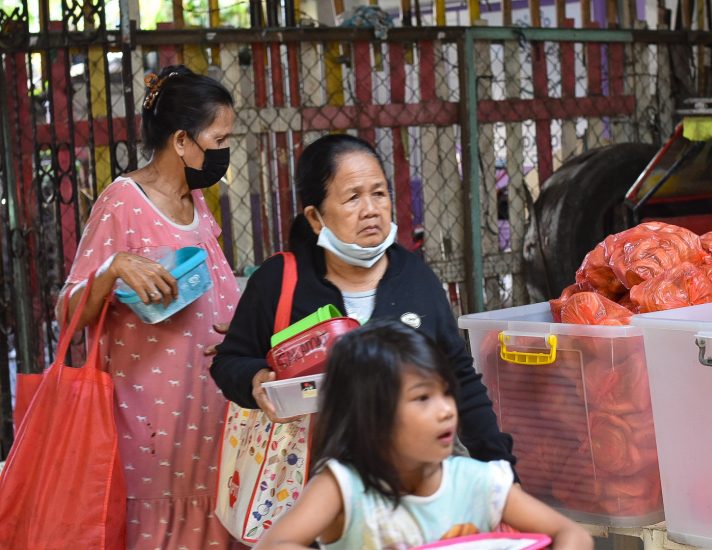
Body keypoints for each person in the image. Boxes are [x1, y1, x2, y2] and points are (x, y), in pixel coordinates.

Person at [211, 133, 516, 468]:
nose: (371, 210)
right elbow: (230, 362)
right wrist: (255, 380)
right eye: (353, 198)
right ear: (314, 218)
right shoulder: (279, 281)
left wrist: (500, 468)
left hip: (408, 481)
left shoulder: (417, 280)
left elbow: (459, 377)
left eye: (379, 193)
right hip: (305, 481)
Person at [57, 65, 241, 548]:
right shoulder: (122, 201)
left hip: (209, 417)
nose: (225, 151)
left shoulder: (195, 199)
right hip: (153, 429)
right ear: (182, 141)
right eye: (219, 139)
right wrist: (112, 268)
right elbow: (67, 312)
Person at [252, 320, 594, 549]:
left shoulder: (479, 481)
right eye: (422, 398)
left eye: (446, 393)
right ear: (372, 414)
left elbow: (573, 534)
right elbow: (274, 545)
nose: (446, 410)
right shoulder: (344, 487)